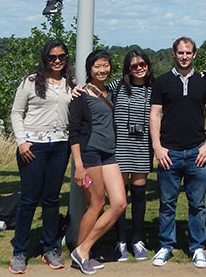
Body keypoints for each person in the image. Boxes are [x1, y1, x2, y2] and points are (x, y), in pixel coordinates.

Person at [149, 37, 206, 268]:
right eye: (180, 52)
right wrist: (157, 147)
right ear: (174, 54)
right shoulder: (162, 82)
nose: (184, 56)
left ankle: (197, 247)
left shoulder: (204, 82)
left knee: (197, 204)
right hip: (170, 152)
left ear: (194, 54)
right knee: (167, 203)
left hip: (197, 152)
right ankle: (166, 245)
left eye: (188, 52)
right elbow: (155, 115)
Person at [8, 41, 74, 274]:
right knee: (29, 200)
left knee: (52, 199)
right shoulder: (31, 81)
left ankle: (50, 247)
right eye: (52, 57)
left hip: (60, 146)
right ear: (44, 59)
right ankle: (19, 252)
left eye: (61, 56)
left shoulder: (70, 83)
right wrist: (21, 142)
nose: (57, 60)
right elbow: (16, 112)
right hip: (33, 146)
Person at [68, 50, 128, 275]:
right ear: (89, 69)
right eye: (97, 67)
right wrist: (79, 164)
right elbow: (74, 132)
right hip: (89, 153)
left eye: (105, 66)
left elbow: (140, 77)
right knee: (96, 204)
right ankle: (82, 254)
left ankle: (82, 249)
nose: (102, 70)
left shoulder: (110, 91)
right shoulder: (80, 95)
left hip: (109, 154)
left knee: (120, 203)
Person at [106, 50, 154, 262]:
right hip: (120, 147)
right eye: (134, 66)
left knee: (139, 194)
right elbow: (97, 92)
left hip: (142, 147)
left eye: (142, 64)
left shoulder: (154, 89)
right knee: (120, 198)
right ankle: (121, 240)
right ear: (128, 69)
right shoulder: (117, 87)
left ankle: (137, 238)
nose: (139, 68)